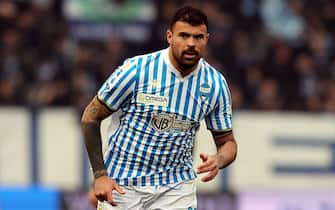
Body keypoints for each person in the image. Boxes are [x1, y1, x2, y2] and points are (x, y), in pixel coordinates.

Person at [81, 6, 238, 210]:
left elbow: (228, 144)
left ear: (206, 39)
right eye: (184, 36)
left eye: (198, 37)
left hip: (176, 187)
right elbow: (90, 117)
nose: (191, 43)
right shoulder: (136, 70)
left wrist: (219, 159)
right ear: (169, 36)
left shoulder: (215, 85)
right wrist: (100, 176)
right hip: (123, 184)